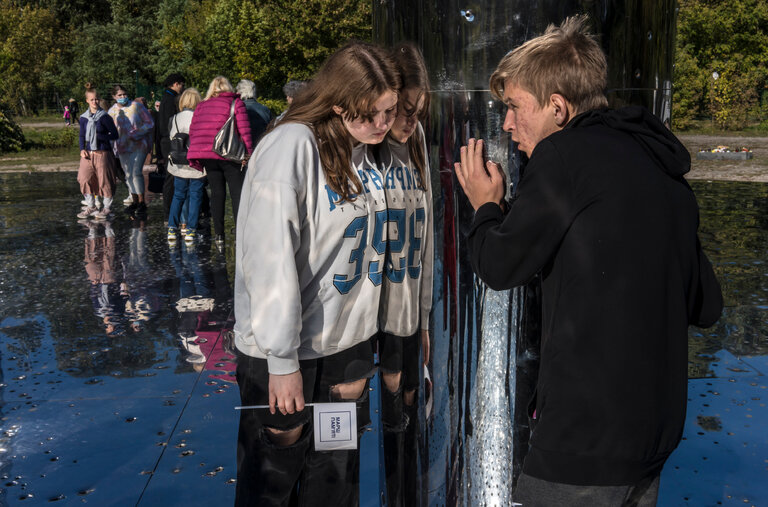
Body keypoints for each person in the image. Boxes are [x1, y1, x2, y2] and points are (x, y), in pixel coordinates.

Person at [453, 16, 723, 506]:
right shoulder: (662, 170)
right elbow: (706, 305)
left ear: (557, 107)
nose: (508, 124)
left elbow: (498, 266)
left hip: (583, 441)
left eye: (515, 107)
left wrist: (486, 206)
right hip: (652, 438)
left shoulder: (562, 159)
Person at [233, 41, 401, 505]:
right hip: (284, 352)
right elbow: (269, 258)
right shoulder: (290, 146)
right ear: (338, 101)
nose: (382, 124)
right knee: (272, 482)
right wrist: (282, 362)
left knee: (335, 482)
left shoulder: (366, 149)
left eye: (389, 111)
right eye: (371, 113)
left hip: (345, 347)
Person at [377, 42, 434, 507]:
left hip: (408, 307)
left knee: (407, 406)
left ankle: (403, 493)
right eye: (404, 109)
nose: (410, 120)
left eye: (418, 111)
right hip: (364, 312)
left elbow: (428, 236)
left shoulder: (415, 148)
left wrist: (426, 317)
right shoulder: (366, 152)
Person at [187, 76, 253, 250]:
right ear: (228, 88)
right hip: (230, 155)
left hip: (208, 155)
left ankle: (219, 236)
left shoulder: (201, 106)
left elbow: (193, 131)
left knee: (217, 193)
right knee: (237, 193)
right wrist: (249, 153)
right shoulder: (235, 103)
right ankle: (241, 234)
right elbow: (244, 130)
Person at [108, 84, 154, 219]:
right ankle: (134, 200)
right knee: (128, 174)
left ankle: (141, 201)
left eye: (124, 94)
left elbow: (149, 123)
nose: (123, 97)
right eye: (119, 95)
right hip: (122, 146)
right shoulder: (112, 112)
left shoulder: (136, 107)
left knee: (136, 172)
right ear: (114, 97)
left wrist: (137, 132)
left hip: (138, 145)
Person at [167, 88, 205, 245]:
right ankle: (190, 229)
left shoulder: (174, 118)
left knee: (178, 195)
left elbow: (171, 136)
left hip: (178, 163)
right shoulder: (200, 118)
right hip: (196, 163)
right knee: (195, 196)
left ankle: (172, 227)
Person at [77, 83, 119, 220]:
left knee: (105, 181)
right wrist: (82, 148)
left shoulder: (105, 117)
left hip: (102, 153)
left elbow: (114, 135)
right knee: (84, 178)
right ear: (87, 101)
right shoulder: (83, 118)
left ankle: (106, 207)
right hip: (88, 153)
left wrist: (100, 136)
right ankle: (91, 205)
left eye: (96, 99)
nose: (95, 101)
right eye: (92, 99)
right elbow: (82, 135)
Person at [156, 73, 186, 219]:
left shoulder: (165, 98)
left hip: (165, 142)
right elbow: (167, 124)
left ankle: (170, 211)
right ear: (175, 83)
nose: (182, 88)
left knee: (172, 176)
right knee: (171, 177)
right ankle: (169, 212)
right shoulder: (171, 100)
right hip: (171, 142)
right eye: (181, 84)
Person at [236, 79, 272, 145]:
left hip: (242, 149)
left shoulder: (237, 109)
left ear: (240, 92)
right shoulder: (265, 110)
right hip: (261, 147)